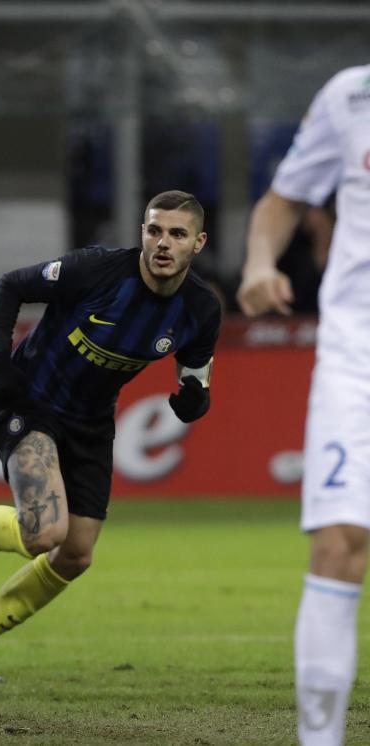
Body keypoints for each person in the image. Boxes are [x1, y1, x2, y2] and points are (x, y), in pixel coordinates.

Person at [0, 190, 221, 681]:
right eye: (154, 230)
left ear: (199, 243)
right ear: (142, 232)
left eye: (177, 234)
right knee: (44, 533)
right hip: (30, 401)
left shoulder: (201, 309)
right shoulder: (98, 271)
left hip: (93, 422)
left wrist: (193, 399)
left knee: (75, 553)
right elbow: (10, 285)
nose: (163, 243)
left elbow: (196, 375)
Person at [237, 64, 370, 746]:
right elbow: (282, 201)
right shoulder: (351, 95)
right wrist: (261, 260)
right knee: (339, 544)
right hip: (357, 354)